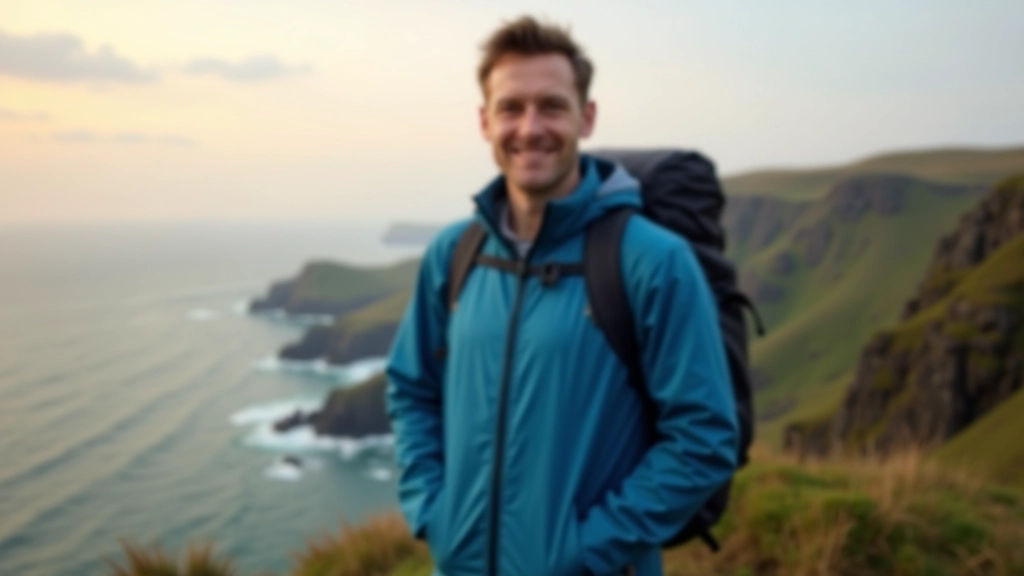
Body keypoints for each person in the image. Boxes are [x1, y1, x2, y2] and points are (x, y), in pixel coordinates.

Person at [386, 15, 738, 576]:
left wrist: (583, 551)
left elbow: (704, 439)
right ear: (484, 122)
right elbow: (411, 390)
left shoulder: (653, 260)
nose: (530, 128)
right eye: (511, 108)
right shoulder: (455, 253)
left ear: (586, 117)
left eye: (551, 105)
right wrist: (433, 511)